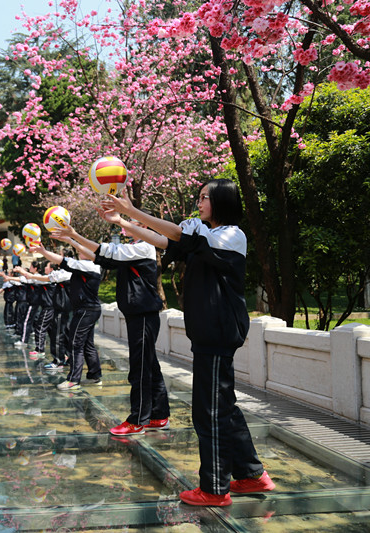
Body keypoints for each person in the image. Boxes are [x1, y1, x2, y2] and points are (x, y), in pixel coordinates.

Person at [102, 179, 274, 507]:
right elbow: (166, 241)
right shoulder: (204, 235)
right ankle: (252, 474)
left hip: (218, 332)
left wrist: (131, 209)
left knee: (208, 411)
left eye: (204, 197)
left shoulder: (230, 235)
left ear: (222, 201)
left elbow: (181, 236)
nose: (199, 202)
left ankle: (214, 488)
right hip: (210, 333)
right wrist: (124, 222)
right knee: (223, 405)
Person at [54, 222, 170, 436]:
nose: (131, 226)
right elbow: (101, 257)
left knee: (140, 367)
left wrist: (76, 234)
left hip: (143, 315)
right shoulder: (135, 249)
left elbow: (109, 251)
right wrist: (72, 238)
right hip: (139, 315)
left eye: (136, 223)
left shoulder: (144, 247)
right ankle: (159, 415)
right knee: (150, 365)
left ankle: (138, 420)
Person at [30, 239, 103, 390]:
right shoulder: (87, 266)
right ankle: (95, 376)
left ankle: (73, 379)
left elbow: (64, 261)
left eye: (83, 250)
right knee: (88, 344)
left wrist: (43, 252)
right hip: (89, 309)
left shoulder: (88, 265)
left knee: (76, 343)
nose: (80, 251)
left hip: (86, 310)